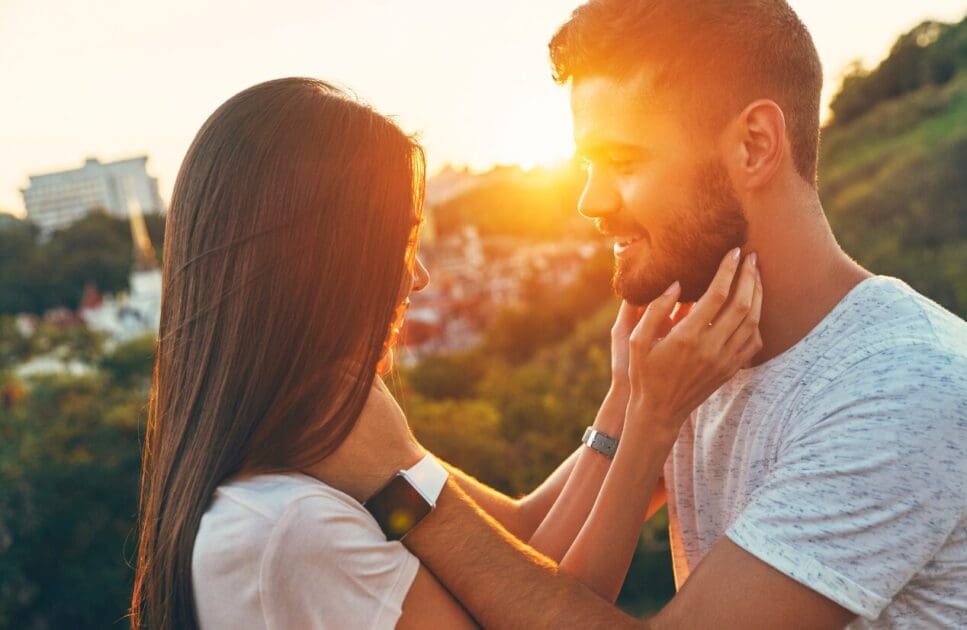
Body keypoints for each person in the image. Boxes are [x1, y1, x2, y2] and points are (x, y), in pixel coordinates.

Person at [334, 1, 967, 628]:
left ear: (754, 146)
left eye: (624, 161)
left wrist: (394, 481)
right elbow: (526, 543)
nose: (591, 200)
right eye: (588, 163)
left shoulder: (902, 386)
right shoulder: (700, 352)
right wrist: (351, 440)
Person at [128, 77, 763, 629]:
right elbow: (543, 610)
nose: (420, 278)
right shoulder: (292, 529)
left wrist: (625, 399)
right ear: (321, 264)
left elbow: (520, 542)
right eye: (403, 244)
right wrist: (652, 423)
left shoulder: (333, 442)